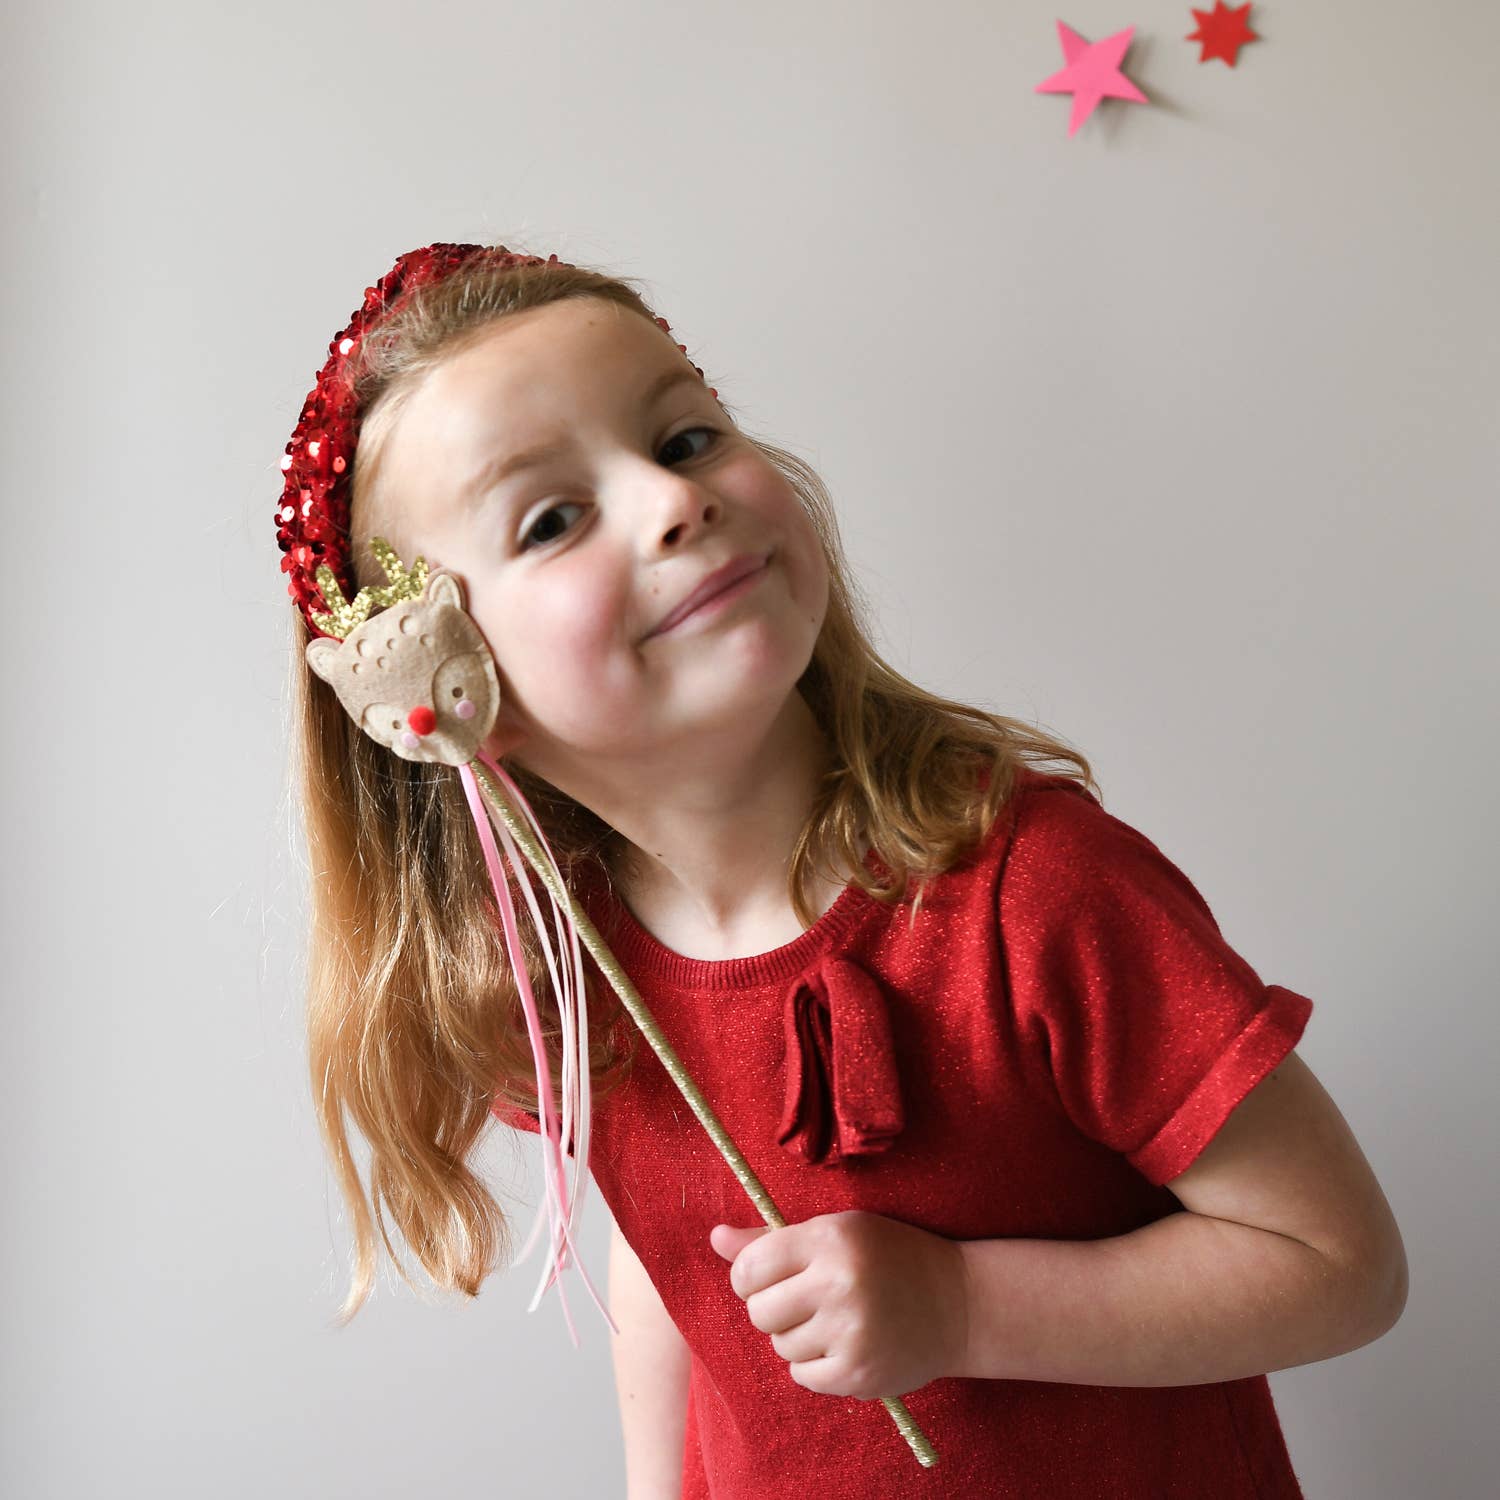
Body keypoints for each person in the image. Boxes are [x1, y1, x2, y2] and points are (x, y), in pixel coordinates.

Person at [277, 241, 1408, 1499]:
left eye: (688, 438)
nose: (672, 501)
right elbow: (675, 1266)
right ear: (447, 689)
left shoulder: (1034, 894)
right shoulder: (562, 980)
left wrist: (962, 1306)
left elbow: (1339, 1261)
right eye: (553, 519)